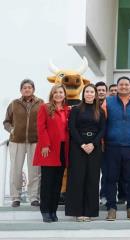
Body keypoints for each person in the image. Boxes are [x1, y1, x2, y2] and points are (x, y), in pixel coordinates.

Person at [103, 76, 130, 221]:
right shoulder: (108, 102)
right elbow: (102, 123)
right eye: (121, 84)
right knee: (111, 179)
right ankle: (111, 209)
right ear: (117, 86)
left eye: (126, 84)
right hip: (112, 146)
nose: (124, 87)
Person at [66, 84, 106, 222]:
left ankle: (89, 212)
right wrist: (82, 144)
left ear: (95, 95)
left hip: (94, 147)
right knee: (78, 179)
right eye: (87, 91)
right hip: (78, 146)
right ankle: (78, 211)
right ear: (83, 94)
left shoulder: (100, 111)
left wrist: (93, 144)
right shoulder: (76, 109)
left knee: (92, 179)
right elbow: (72, 127)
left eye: (92, 92)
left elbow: (102, 130)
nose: (89, 94)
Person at [3, 79, 43, 207]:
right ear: (21, 90)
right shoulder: (14, 104)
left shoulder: (41, 103)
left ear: (33, 89)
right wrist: (12, 130)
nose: (27, 89)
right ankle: (16, 197)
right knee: (15, 170)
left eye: (29, 87)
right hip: (16, 141)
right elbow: (6, 122)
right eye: (24, 87)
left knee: (35, 171)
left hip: (35, 141)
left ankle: (34, 197)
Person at [33, 84, 70, 223]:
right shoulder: (45, 107)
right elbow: (41, 127)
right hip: (48, 149)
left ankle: (53, 211)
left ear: (65, 95)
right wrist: (45, 144)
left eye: (61, 92)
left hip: (62, 149)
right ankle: (45, 211)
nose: (58, 95)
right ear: (52, 94)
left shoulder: (67, 110)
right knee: (47, 182)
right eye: (56, 92)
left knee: (57, 182)